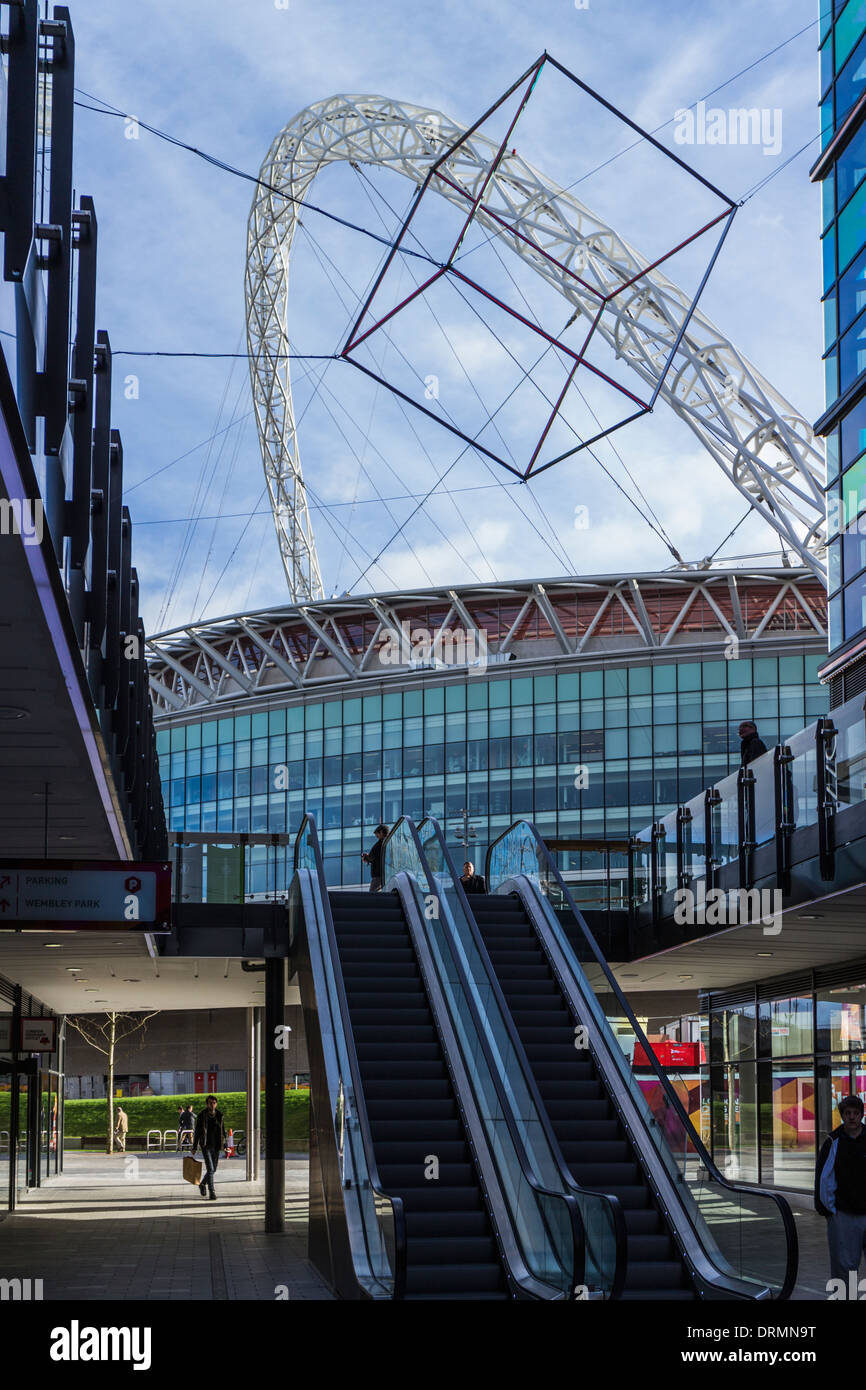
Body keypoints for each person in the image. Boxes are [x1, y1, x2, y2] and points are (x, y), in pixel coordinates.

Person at [815, 1094, 866, 1288]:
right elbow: (823, 1177)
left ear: (861, 1115)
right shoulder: (833, 1141)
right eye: (847, 1113)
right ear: (842, 1115)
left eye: (855, 1113)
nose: (852, 1117)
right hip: (844, 1214)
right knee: (844, 1268)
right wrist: (828, 1210)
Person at [192, 1094, 227, 1200]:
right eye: (210, 1103)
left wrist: (225, 1145)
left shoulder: (220, 1115)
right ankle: (212, 1192)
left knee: (213, 1169)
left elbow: (223, 1131)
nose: (212, 1105)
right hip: (206, 1145)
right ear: (207, 1104)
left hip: (216, 1146)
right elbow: (197, 1132)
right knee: (210, 1168)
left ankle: (202, 1184)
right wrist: (194, 1146)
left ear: (216, 1104)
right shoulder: (202, 1115)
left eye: (214, 1103)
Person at [361, 824, 389, 893]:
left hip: (378, 874)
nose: (376, 835)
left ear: (381, 832)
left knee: (372, 893)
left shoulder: (380, 844)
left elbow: (373, 857)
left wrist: (366, 857)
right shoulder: (386, 843)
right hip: (384, 873)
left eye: (377, 833)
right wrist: (368, 857)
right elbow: (377, 858)